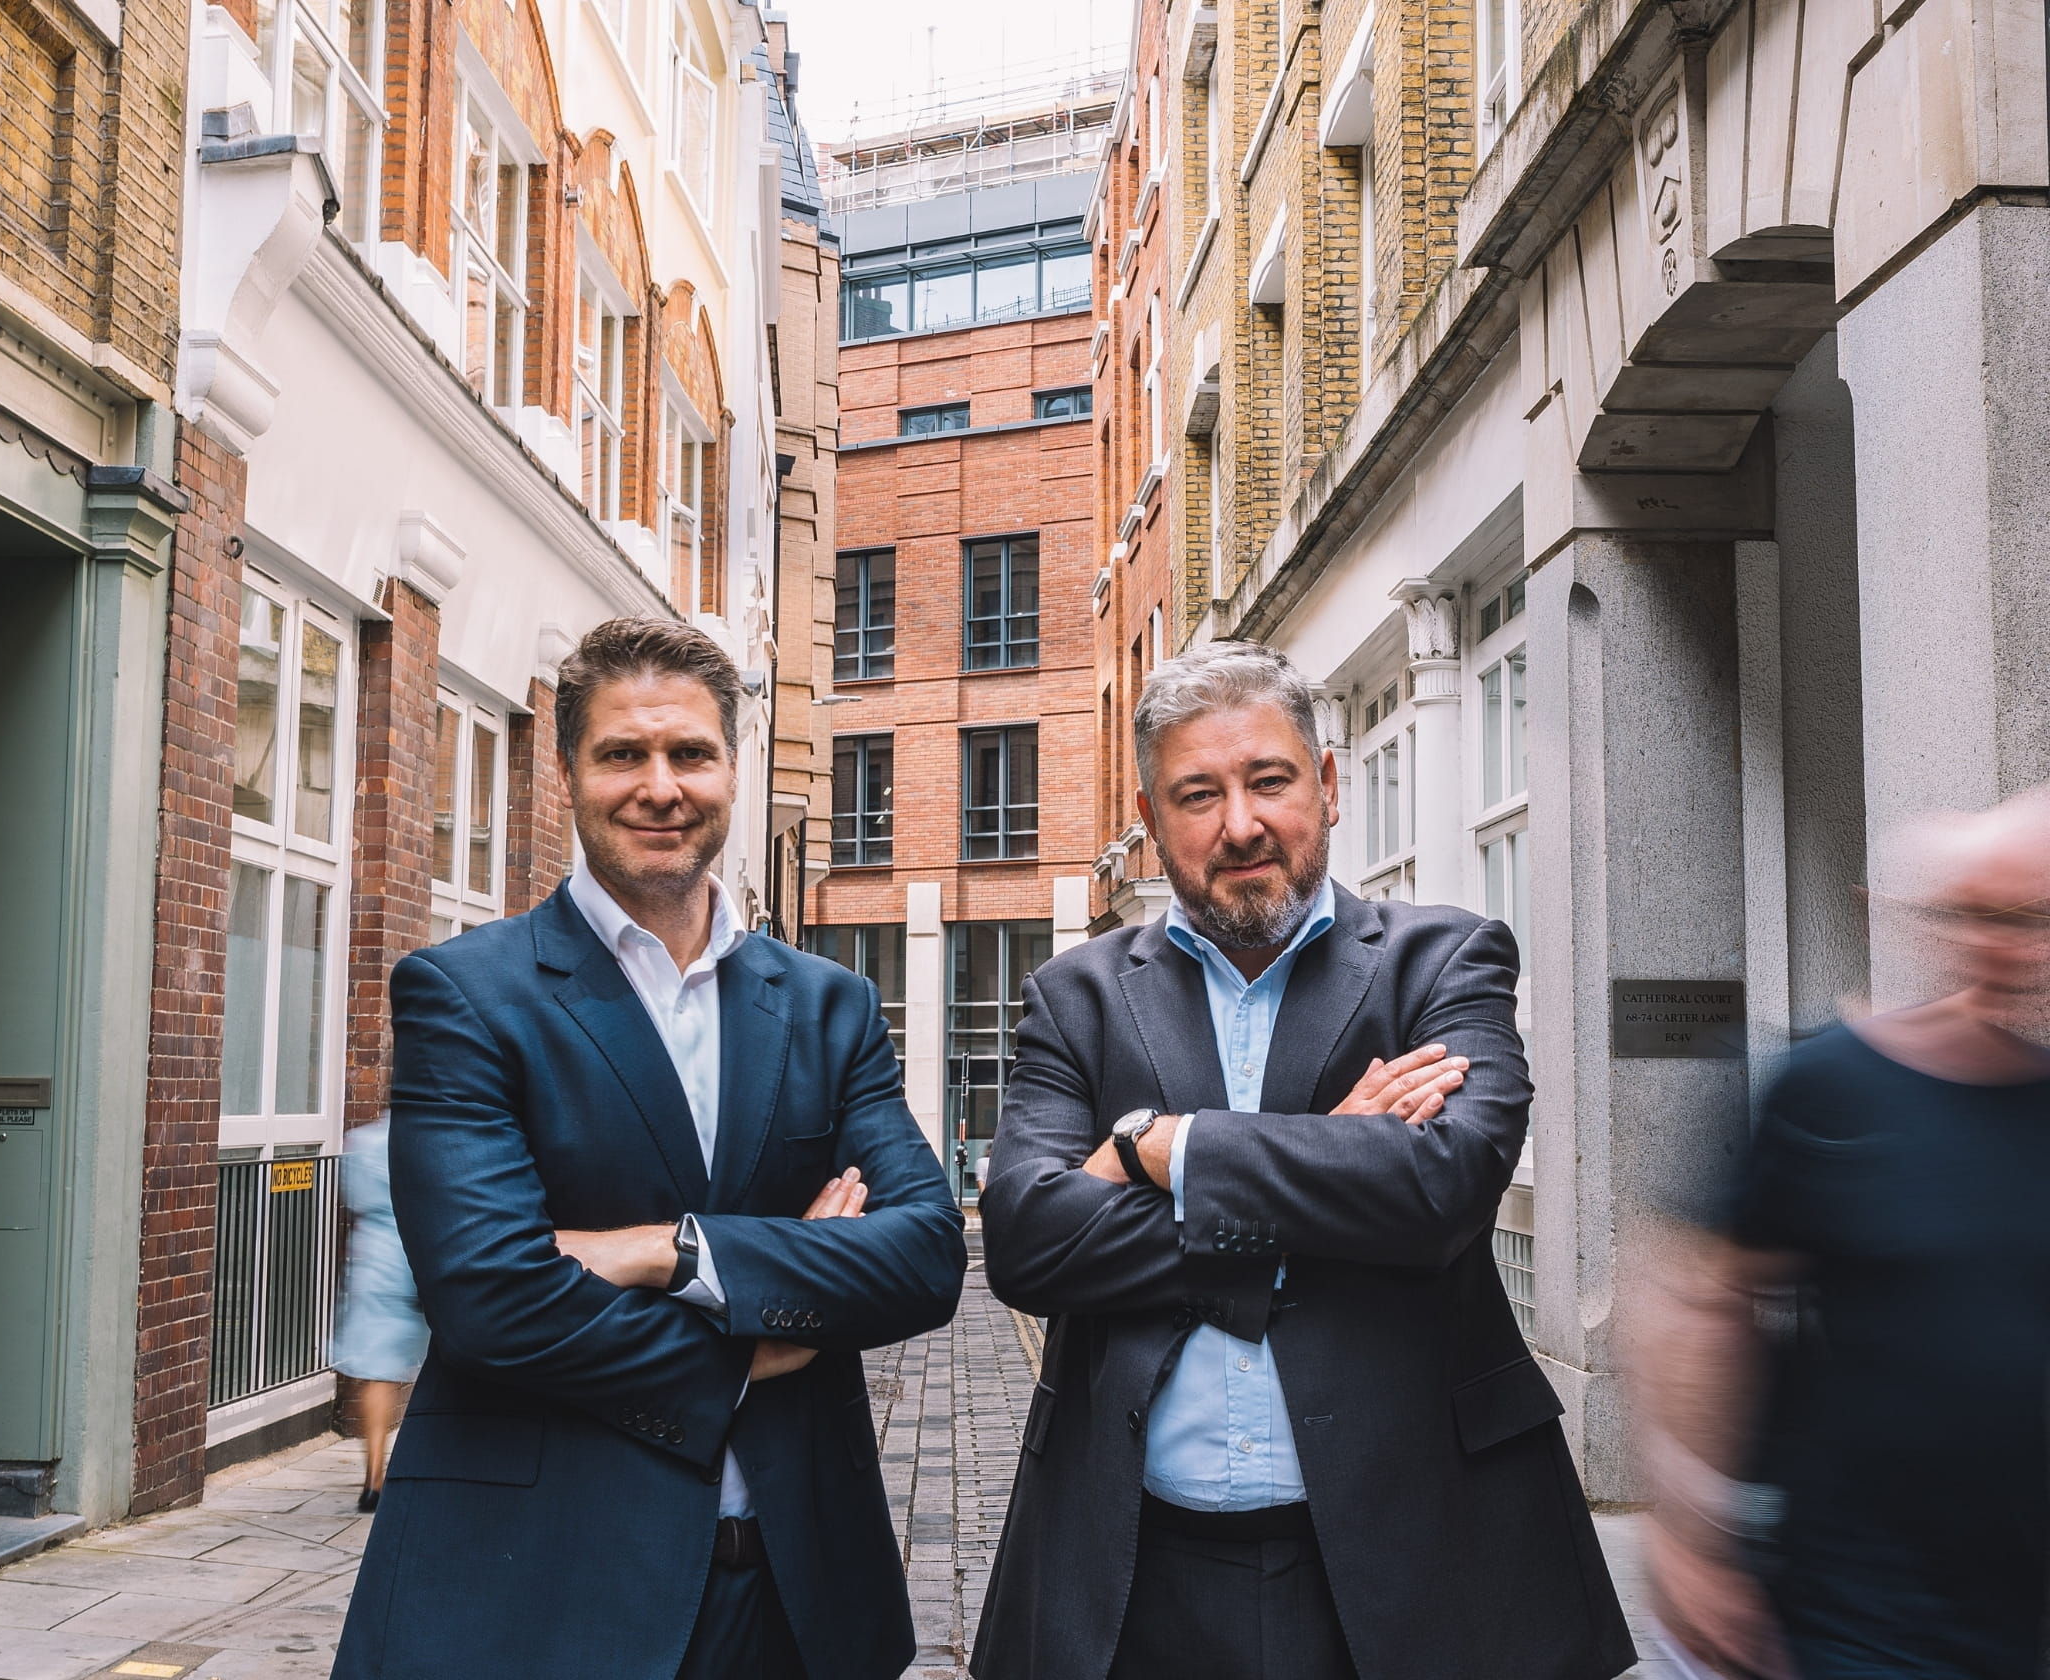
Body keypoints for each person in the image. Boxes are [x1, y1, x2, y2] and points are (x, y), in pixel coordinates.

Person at [973, 641, 1634, 1680]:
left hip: (1417, 1555)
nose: (1238, 824)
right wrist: (1335, 1164)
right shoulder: (1079, 996)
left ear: (1324, 786)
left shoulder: (1442, 960)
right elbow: (1023, 1244)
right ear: (1150, 824)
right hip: (1134, 1565)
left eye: (1268, 780)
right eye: (1197, 794)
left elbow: (1440, 1192)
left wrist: (1155, 1146)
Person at [332, 618, 967, 1680]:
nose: (658, 786)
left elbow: (924, 1257)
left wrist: (667, 1253)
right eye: (623, 754)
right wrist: (756, 1340)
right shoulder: (465, 996)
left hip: (793, 1592)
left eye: (689, 754)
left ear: (732, 768)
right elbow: (490, 1297)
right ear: (570, 771)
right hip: (540, 1589)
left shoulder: (828, 1007)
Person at [1636, 791, 2050, 1680]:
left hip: (2022, 1602)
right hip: (1861, 1600)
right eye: (1984, 913)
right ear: (1933, 923)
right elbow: (1705, 1303)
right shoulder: (1831, 1088)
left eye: (2037, 917)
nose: (2010, 943)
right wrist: (1693, 1539)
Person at [326, 1113, 429, 1513]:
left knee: (378, 1376)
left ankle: (373, 1478)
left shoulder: (362, 1142)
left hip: (374, 1260)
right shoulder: (426, 1143)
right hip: (418, 1257)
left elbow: (353, 1201)